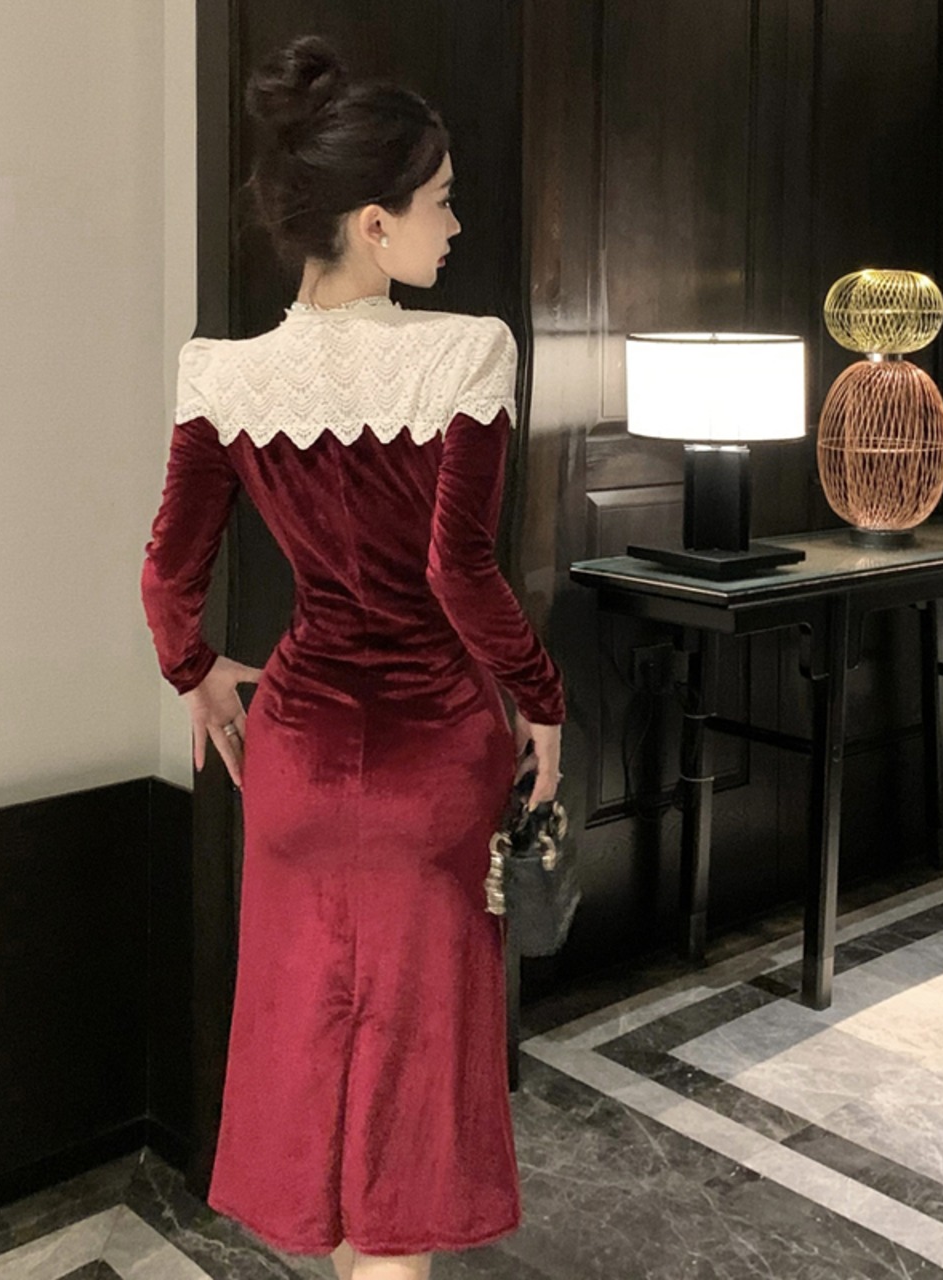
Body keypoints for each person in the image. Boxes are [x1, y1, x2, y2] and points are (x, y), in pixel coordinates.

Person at [140, 36, 565, 1280]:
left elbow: (166, 575)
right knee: (406, 1097)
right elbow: (456, 572)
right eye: (440, 201)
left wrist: (197, 673)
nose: (454, 224)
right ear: (374, 225)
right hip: (430, 755)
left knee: (315, 1066)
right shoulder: (465, 351)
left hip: (296, 755)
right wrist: (541, 699)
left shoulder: (221, 373)